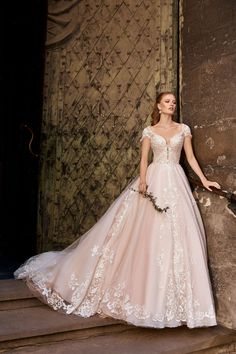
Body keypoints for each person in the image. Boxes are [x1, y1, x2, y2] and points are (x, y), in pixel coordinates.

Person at [14, 92, 221, 328]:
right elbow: (144, 160)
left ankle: (176, 305)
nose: (171, 105)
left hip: (176, 180)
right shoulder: (149, 131)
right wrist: (143, 181)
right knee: (143, 235)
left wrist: (204, 181)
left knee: (180, 236)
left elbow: (191, 158)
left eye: (174, 102)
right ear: (159, 106)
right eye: (167, 102)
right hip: (154, 179)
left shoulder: (183, 129)